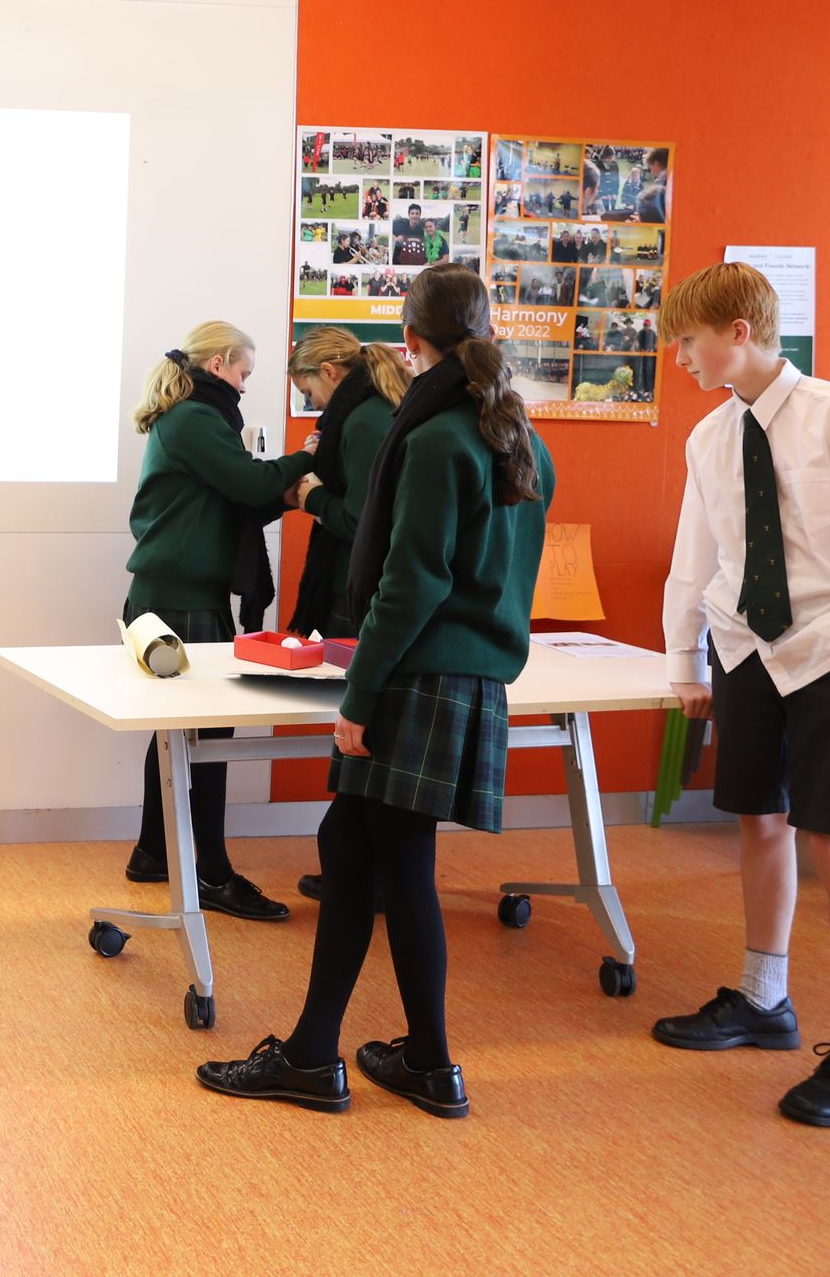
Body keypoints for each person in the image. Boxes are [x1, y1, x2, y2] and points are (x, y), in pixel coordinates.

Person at [198, 264, 554, 1120]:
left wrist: (358, 696)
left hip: (413, 677)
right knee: (358, 850)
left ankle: (393, 1061)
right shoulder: (521, 438)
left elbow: (411, 582)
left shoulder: (434, 438)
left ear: (411, 339)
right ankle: (358, 1057)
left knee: (396, 865)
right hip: (470, 676)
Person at [652, 262, 830, 1128]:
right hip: (745, 649)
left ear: (738, 332)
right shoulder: (710, 437)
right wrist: (686, 661)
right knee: (758, 822)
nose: (679, 358)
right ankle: (764, 998)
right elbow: (696, 555)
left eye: (687, 340)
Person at [119, 322, 313, 922]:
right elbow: (248, 482)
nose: (245, 387)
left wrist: (284, 493)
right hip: (182, 602)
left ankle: (153, 852)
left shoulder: (190, 418)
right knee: (208, 738)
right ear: (220, 363)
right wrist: (307, 458)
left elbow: (233, 499)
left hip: (171, 595)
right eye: (244, 373)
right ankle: (213, 874)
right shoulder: (196, 419)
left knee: (178, 733)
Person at [281, 326, 412, 904]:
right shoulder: (376, 409)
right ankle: (364, 871)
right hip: (362, 593)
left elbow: (362, 523)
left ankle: (364, 875)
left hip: (358, 597)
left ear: (330, 373)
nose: (310, 403)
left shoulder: (361, 421)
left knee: (360, 735)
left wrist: (311, 496)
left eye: (308, 391)